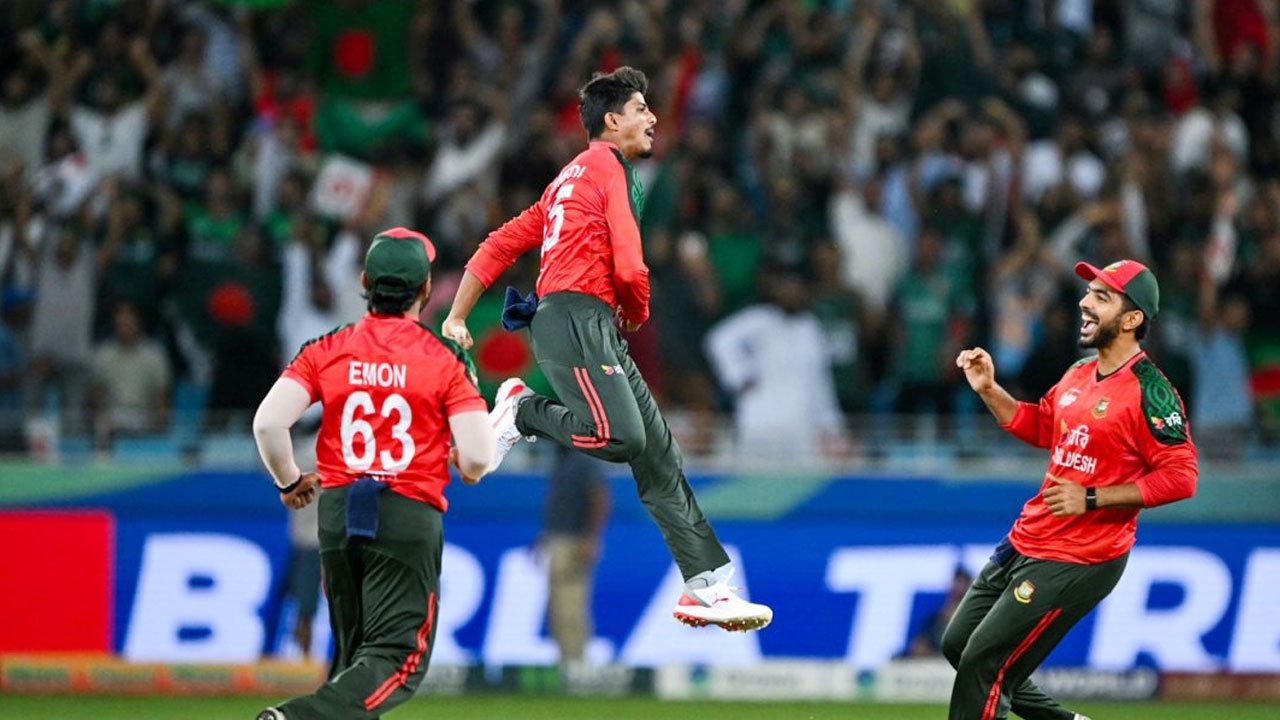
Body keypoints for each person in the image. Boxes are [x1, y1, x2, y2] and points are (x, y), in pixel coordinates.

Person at [441, 66, 771, 631]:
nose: (653, 118)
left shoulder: (567, 180)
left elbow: (503, 242)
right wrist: (637, 312)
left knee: (658, 454)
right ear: (612, 121)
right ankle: (523, 411)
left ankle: (707, 586)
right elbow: (630, 263)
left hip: (581, 321)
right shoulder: (608, 167)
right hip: (575, 318)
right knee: (623, 438)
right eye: (642, 108)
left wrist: (457, 312)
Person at [251, 227, 496, 720]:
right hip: (407, 513)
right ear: (426, 289)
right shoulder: (444, 358)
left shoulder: (327, 347)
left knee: (354, 658)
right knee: (397, 660)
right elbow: (477, 457)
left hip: (339, 511)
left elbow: (268, 423)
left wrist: (290, 481)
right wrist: (462, 461)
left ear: (364, 281)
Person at [945, 259, 1198, 720]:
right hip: (1029, 537)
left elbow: (1182, 477)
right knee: (959, 645)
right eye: (1088, 292)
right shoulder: (1080, 371)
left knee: (983, 662)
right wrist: (989, 389)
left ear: (1132, 318)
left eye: (1102, 297)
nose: (1085, 302)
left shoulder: (1151, 391)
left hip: (1081, 556)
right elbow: (1045, 426)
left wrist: (1092, 497)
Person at [542, 445, 610, 669]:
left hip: (574, 542)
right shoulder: (562, 460)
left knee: (570, 607)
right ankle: (566, 659)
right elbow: (559, 504)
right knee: (558, 607)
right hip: (560, 539)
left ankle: (576, 661)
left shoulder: (583, 460)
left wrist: (591, 538)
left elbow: (600, 498)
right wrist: (547, 534)